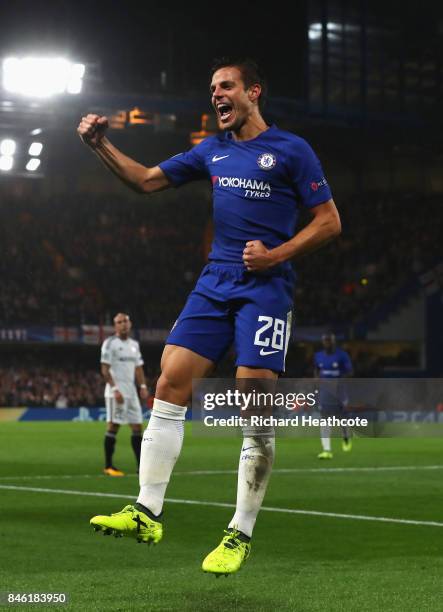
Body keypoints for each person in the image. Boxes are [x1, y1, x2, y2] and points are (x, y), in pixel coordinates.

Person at [78, 57, 341, 575]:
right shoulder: (211, 151)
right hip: (215, 280)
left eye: (226, 86)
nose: (216, 95)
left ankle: (240, 533)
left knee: (253, 399)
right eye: (212, 89)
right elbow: (148, 180)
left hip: (266, 286)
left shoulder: (292, 150)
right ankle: (146, 511)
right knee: (170, 381)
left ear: (254, 92)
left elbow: (330, 222)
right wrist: (99, 145)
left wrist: (276, 255)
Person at [100, 313, 148, 476]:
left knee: (137, 427)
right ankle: (108, 466)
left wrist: (142, 385)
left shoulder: (134, 344)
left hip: (131, 392)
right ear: (115, 326)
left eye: (125, 321)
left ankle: (141, 467)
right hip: (116, 392)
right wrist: (115, 389)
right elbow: (105, 370)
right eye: (119, 322)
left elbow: (138, 367)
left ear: (130, 323)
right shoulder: (110, 343)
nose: (123, 324)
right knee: (114, 426)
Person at [314, 332, 353, 459]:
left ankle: (346, 438)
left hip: (340, 392)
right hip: (325, 392)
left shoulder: (342, 355)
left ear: (333, 341)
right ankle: (327, 450)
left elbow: (350, 372)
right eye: (325, 340)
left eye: (329, 340)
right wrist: (317, 379)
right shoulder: (318, 356)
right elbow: (316, 369)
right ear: (323, 341)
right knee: (324, 419)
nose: (327, 342)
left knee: (343, 419)